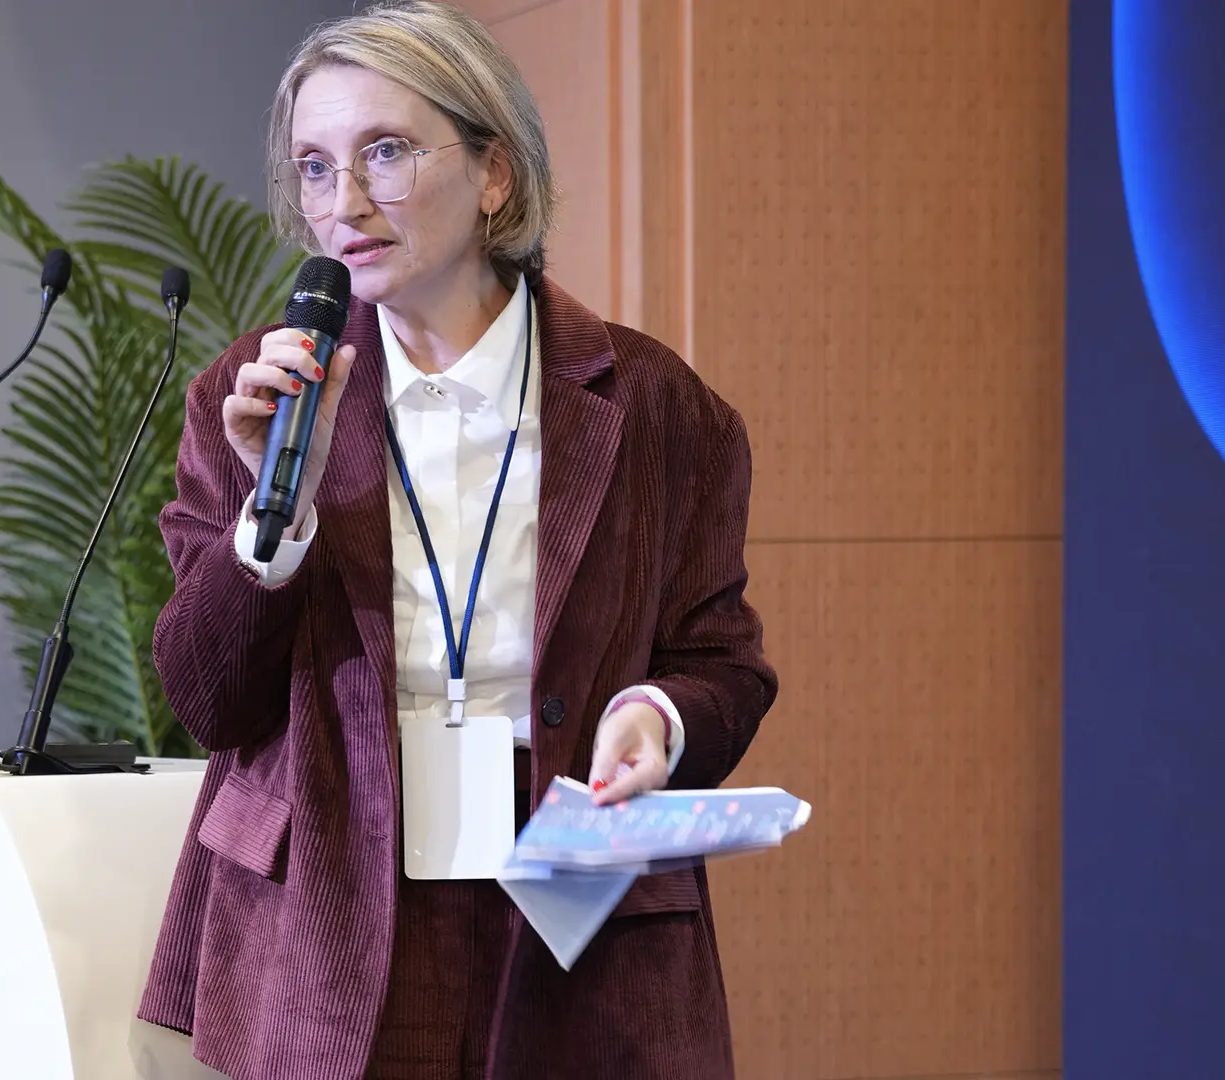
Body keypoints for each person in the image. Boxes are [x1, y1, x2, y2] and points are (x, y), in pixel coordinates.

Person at [134, 3, 775, 1077]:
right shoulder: (250, 398)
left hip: (572, 908)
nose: (344, 202)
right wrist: (273, 516)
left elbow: (723, 665)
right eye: (314, 166)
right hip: (330, 912)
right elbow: (209, 701)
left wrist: (656, 718)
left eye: (385, 152)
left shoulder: (656, 405)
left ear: (494, 174)